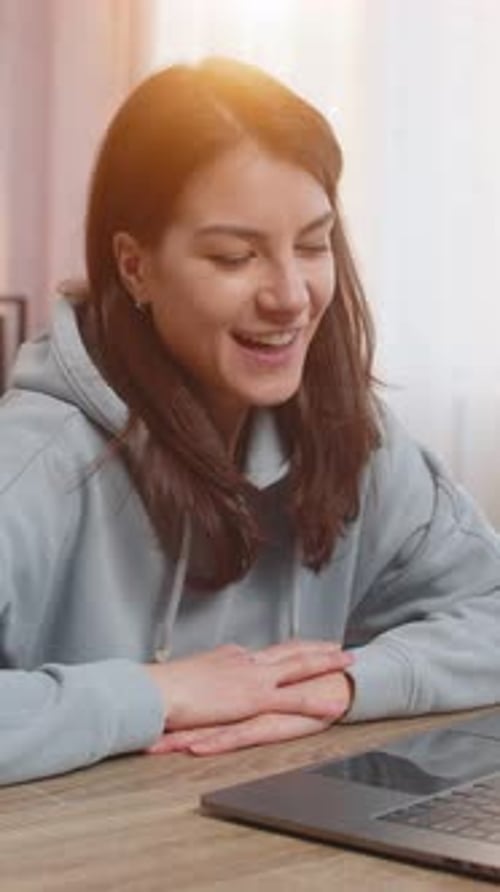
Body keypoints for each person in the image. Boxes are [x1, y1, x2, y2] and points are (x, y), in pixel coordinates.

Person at [1, 57, 499, 787]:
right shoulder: (31, 462)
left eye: (311, 244)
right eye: (236, 256)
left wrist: (344, 685)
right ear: (135, 268)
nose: (292, 298)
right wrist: (154, 693)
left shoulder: (354, 436)